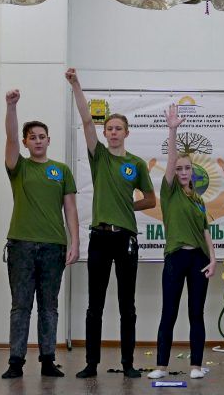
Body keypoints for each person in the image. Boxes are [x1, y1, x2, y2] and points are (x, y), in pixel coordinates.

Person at [65, 68, 156, 379]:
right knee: (95, 304)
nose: (114, 132)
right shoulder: (100, 157)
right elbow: (86, 120)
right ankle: (91, 363)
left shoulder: (136, 164)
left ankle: (128, 363)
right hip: (100, 238)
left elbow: (151, 200)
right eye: (110, 129)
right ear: (104, 134)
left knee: (127, 305)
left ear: (127, 133)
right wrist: (76, 85)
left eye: (119, 128)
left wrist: (128, 205)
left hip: (126, 239)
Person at [1, 89, 80, 379]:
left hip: (53, 247)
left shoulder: (61, 171)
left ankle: (48, 360)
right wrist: (11, 107)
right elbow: (10, 138)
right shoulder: (18, 167)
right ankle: (15, 362)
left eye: (41, 136)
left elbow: (70, 209)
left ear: (48, 140)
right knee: (21, 306)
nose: (37, 140)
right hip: (21, 246)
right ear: (25, 142)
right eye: (32, 137)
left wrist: (75, 242)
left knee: (49, 307)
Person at [147, 105, 217, 380]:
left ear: (193, 171)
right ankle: (161, 366)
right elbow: (172, 160)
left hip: (199, 259)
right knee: (169, 313)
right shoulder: (170, 191)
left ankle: (196, 366)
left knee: (196, 313)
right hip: (176, 257)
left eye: (188, 168)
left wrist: (213, 259)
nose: (184, 171)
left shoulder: (198, 199)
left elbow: (205, 231)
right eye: (179, 168)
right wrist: (172, 130)